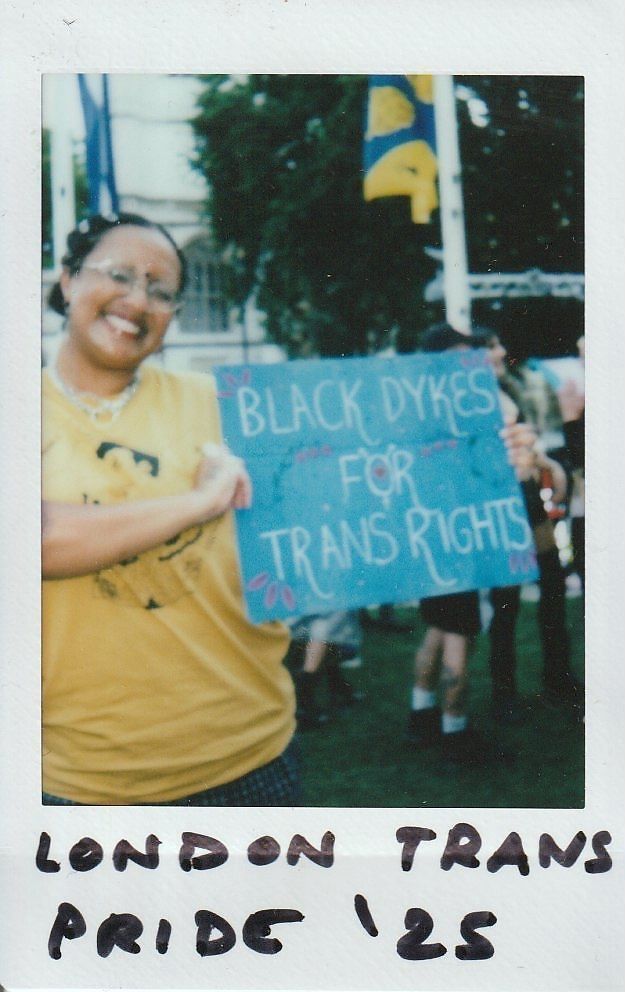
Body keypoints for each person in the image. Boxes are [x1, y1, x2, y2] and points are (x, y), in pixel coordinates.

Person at [42, 213, 298, 806]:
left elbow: (342, 484)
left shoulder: (226, 405)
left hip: (252, 759)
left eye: (161, 292)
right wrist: (198, 502)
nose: (138, 301)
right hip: (89, 784)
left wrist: (480, 459)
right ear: (68, 280)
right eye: (121, 276)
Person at [404, 324, 536, 764]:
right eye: (462, 358)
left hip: (437, 537)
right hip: (456, 538)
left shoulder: (426, 408)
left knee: (439, 630)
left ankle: (422, 715)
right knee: (459, 637)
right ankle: (454, 731)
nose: (472, 364)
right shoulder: (455, 410)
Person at [473, 328, 583, 720]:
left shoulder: (509, 390)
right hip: (499, 506)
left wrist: (541, 461)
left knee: (552, 583)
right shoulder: (471, 401)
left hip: (530, 500)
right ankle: (504, 691)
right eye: (491, 347)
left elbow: (530, 444)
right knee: (507, 601)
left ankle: (558, 675)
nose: (502, 350)